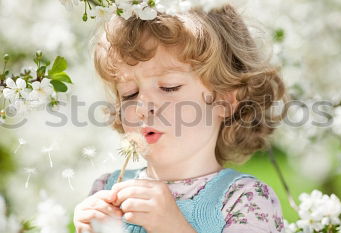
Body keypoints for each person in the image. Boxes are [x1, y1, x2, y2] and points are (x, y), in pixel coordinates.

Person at [74, 2, 288, 233]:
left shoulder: (245, 199)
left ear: (224, 101)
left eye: (169, 87)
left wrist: (173, 227)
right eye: (129, 93)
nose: (143, 107)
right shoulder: (106, 190)